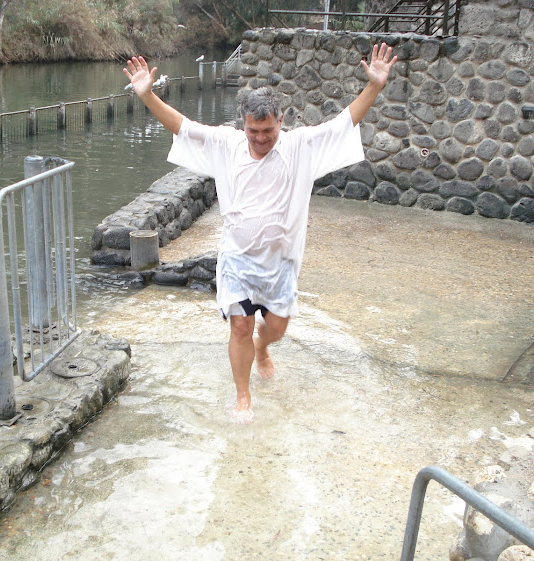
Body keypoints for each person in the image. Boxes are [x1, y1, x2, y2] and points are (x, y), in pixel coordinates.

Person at [123, 43, 397, 421]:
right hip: (236, 258)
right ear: (243, 125)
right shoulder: (227, 144)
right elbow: (182, 126)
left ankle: (264, 347)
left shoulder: (300, 146)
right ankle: (243, 397)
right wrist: (148, 95)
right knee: (239, 326)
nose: (261, 138)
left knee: (277, 328)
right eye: (254, 131)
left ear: (280, 122)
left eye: (267, 130)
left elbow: (343, 124)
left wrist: (375, 87)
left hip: (281, 261)